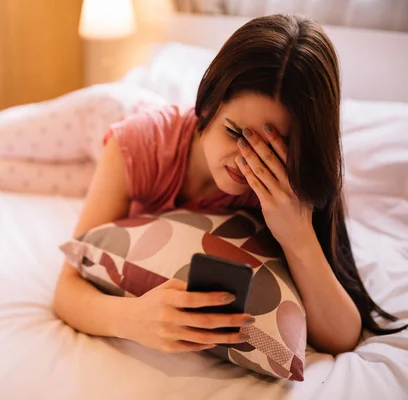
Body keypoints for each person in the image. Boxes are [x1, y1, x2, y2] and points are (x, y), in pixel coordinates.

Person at [52, 14, 406, 356]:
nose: (244, 160)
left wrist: (297, 235)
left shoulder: (291, 183)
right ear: (206, 106)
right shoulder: (136, 147)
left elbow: (342, 337)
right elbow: (67, 288)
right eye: (235, 132)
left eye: (270, 149)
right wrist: (134, 319)